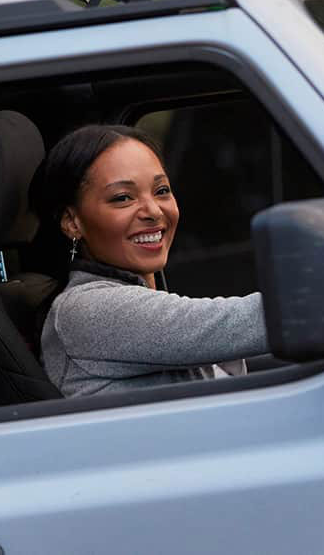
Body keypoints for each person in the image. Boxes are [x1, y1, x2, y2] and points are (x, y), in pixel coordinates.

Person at [33, 124, 268, 397]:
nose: (154, 211)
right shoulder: (84, 308)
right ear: (72, 222)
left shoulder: (133, 297)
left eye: (161, 191)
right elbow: (237, 323)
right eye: (123, 198)